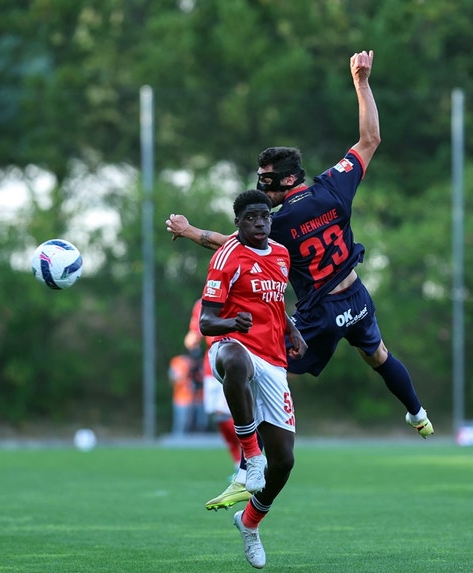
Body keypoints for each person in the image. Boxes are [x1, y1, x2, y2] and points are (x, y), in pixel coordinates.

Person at [166, 50, 432, 444]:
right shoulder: (334, 185)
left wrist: (190, 231)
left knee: (262, 366)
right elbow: (370, 138)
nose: (261, 189)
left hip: (320, 312)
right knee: (378, 356)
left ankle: (249, 457)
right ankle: (418, 414)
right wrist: (361, 83)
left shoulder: (280, 223)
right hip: (356, 296)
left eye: (266, 181)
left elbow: (230, 245)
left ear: (287, 181)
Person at [199, 188, 306, 568]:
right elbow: (206, 320)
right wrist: (232, 323)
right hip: (233, 345)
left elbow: (274, 304)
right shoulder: (227, 256)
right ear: (238, 223)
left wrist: (292, 330)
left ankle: (249, 524)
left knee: (286, 461)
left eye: (265, 216)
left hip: (274, 359)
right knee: (234, 359)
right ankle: (249, 455)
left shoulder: (280, 253)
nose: (260, 223)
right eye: (251, 218)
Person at [185, 298, 255, 510]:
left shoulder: (240, 297)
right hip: (212, 363)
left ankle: (251, 460)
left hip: (234, 360)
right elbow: (195, 331)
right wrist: (192, 338)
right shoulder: (201, 303)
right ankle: (241, 462)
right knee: (220, 416)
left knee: (233, 413)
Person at [168, 353, 195, 436]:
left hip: (188, 399)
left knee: (188, 421)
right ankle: (177, 437)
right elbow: (172, 379)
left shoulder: (189, 376)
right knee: (180, 420)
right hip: (179, 399)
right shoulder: (177, 364)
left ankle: (184, 438)